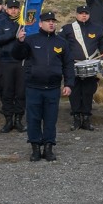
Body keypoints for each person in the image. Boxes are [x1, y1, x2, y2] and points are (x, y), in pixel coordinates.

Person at [12, 11, 75, 162]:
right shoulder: (30, 40)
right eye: (48, 21)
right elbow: (17, 55)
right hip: (33, 87)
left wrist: (68, 84)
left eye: (53, 21)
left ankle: (48, 148)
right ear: (40, 24)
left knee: (50, 120)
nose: (51, 23)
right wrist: (19, 42)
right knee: (33, 119)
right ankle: (35, 148)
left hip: (52, 88)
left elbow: (68, 65)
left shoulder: (61, 42)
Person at [59, 5, 103, 131]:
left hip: (90, 65)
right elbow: (60, 43)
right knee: (74, 93)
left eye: (86, 13)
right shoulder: (67, 29)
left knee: (88, 92)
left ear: (89, 14)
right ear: (76, 14)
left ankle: (86, 119)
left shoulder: (97, 28)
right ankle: (76, 119)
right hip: (73, 65)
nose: (84, 15)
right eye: (81, 13)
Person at [0, 0, 27, 133]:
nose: (13, 10)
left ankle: (18, 120)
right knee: (7, 91)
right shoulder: (0, 21)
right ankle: (8, 120)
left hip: (21, 62)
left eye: (16, 8)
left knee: (21, 92)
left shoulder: (24, 22)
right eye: (11, 8)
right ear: (6, 8)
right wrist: (14, 34)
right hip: (6, 61)